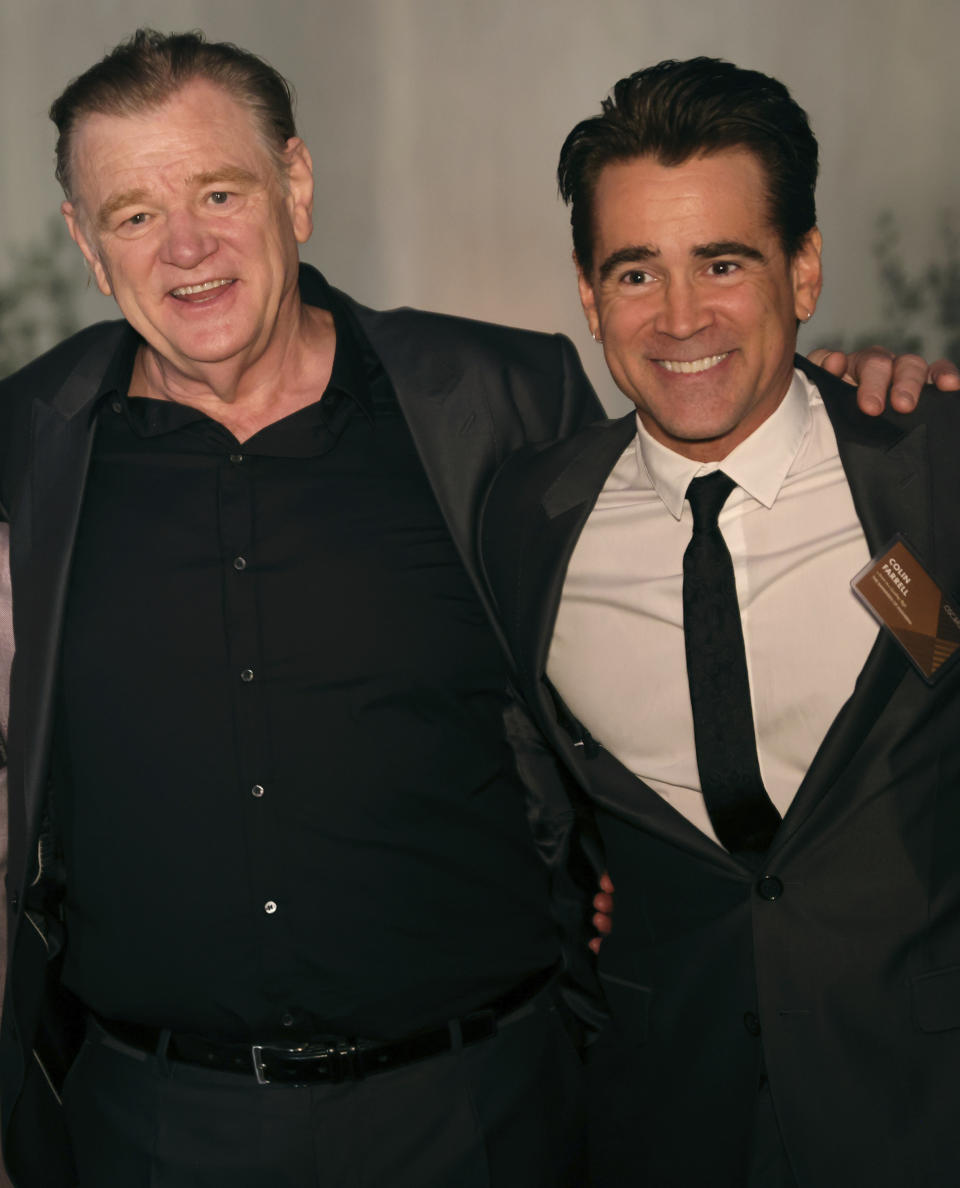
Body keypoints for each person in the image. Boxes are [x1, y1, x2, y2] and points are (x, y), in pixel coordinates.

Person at [0, 32, 949, 1188]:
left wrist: (865, 394)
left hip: (481, 1113)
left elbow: (714, 424)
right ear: (86, 246)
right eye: (135, 214)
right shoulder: (32, 442)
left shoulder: (494, 406)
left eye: (218, 190)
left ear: (295, 186)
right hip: (154, 1125)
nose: (186, 246)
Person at [480, 58, 960, 1188]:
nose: (681, 317)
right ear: (590, 295)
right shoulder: (524, 520)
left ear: (804, 270)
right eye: (636, 271)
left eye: (725, 262)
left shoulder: (928, 474)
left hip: (924, 1104)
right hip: (659, 1116)